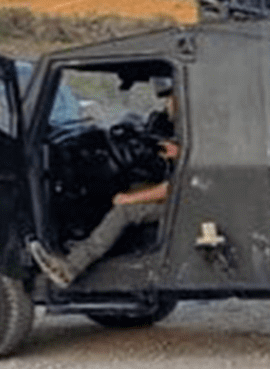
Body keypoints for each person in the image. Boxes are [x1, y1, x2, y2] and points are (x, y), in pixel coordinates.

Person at [29, 81, 180, 287]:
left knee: (126, 209)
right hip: (188, 195)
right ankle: (122, 253)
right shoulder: (194, 132)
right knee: (133, 186)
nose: (168, 105)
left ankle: (71, 267)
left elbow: (172, 188)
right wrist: (176, 154)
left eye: (172, 100)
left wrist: (128, 199)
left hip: (186, 201)